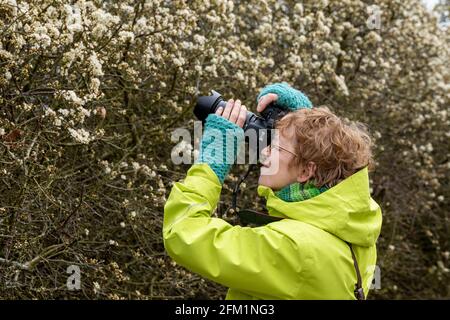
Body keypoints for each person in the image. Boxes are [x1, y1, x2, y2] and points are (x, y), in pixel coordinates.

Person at [163, 82, 382, 300]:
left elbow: (182, 232)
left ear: (306, 170)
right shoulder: (354, 232)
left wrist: (213, 160)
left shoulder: (294, 250)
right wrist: (302, 123)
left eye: (276, 146)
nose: (264, 151)